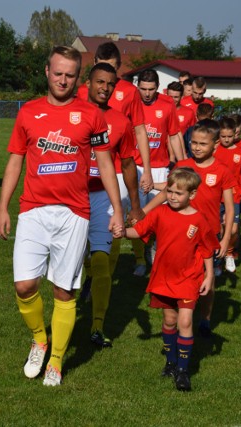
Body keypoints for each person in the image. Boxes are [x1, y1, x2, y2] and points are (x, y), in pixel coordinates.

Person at [0, 46, 124, 386]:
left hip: (75, 214)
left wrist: (118, 210)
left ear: (77, 77)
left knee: (63, 292)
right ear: (47, 72)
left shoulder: (91, 115)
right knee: (24, 286)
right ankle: (40, 338)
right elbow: (14, 162)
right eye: (58, 73)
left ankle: (55, 360)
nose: (63, 80)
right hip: (33, 210)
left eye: (70, 75)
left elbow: (107, 163)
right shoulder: (28, 113)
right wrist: (2, 207)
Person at [126, 167, 219, 392]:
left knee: (184, 322)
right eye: (169, 191)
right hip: (164, 277)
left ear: (192, 195)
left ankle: (183, 371)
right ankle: (170, 361)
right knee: (169, 321)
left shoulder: (198, 219)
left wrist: (208, 276)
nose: (172, 197)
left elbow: (207, 249)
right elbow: (138, 232)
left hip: (189, 278)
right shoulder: (159, 213)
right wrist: (119, 231)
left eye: (178, 193)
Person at [142, 119, 235, 337]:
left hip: (208, 235)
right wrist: (143, 212)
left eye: (202, 144)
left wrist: (225, 238)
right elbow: (167, 191)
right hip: (181, 234)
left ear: (216, 145)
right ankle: (179, 317)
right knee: (181, 277)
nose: (196, 147)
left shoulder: (223, 171)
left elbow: (229, 208)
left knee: (206, 280)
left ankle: (205, 319)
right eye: (193, 142)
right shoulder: (183, 165)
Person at [84, 62, 141, 348]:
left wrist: (134, 205)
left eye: (110, 84)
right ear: (89, 83)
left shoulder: (120, 122)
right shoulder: (70, 112)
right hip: (70, 197)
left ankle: (96, 325)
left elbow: (129, 164)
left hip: (103, 197)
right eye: (100, 82)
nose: (105, 88)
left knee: (102, 261)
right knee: (69, 264)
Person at [77, 42, 153, 194]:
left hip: (118, 168)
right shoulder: (83, 90)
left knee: (116, 214)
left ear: (118, 66)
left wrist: (147, 169)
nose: (106, 72)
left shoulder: (130, 91)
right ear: (94, 63)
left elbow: (139, 129)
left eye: (111, 67)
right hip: (86, 168)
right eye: (101, 66)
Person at [132, 68, 185, 277]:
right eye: (143, 89)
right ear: (138, 87)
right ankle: (139, 260)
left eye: (151, 89)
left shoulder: (167, 104)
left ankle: (155, 252)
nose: (146, 93)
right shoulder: (131, 103)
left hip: (160, 169)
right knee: (135, 217)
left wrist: (182, 164)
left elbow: (174, 135)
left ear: (158, 88)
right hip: (133, 168)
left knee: (160, 218)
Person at [214, 117, 241, 273]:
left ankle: (229, 253)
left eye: (230, 136)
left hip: (234, 197)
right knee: (218, 229)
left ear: (235, 134)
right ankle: (217, 261)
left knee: (234, 230)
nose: (227, 139)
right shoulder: (214, 150)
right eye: (223, 136)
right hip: (215, 196)